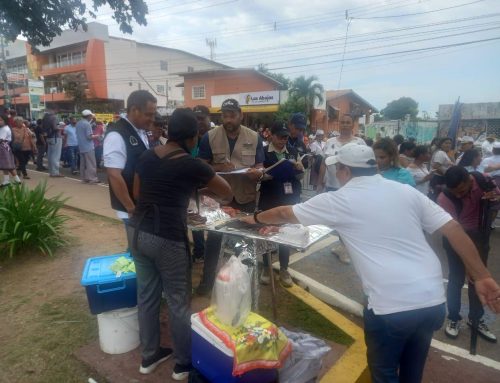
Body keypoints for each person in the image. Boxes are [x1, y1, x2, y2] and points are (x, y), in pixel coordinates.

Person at [241, 144, 500, 383]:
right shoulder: (405, 191)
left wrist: (255, 218)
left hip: (390, 306)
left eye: (337, 168)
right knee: (412, 371)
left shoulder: (340, 199)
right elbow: (453, 228)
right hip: (432, 301)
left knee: (384, 372)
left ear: (344, 171)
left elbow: (286, 213)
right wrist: (483, 276)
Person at [129, 108, 232, 380]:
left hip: (139, 234)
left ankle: (149, 357)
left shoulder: (146, 156)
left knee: (147, 297)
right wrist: (196, 186)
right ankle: (182, 364)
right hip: (168, 239)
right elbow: (227, 192)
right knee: (177, 301)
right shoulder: (191, 164)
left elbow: (139, 194)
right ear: (193, 136)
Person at [196, 98, 265, 295]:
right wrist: (218, 167)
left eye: (232, 115)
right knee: (214, 242)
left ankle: (242, 285)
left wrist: (257, 172)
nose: (228, 119)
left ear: (240, 115)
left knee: (243, 243)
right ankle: (207, 283)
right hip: (219, 200)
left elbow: (260, 166)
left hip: (245, 197)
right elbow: (201, 167)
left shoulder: (254, 137)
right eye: (225, 116)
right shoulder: (209, 137)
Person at [437, 166, 499, 343]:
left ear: (470, 181)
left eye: (462, 191)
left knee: (479, 281)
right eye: (454, 192)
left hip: (480, 238)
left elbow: (496, 198)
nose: (458, 195)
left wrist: (493, 199)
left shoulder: (483, 180)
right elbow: (455, 233)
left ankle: (476, 319)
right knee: (456, 279)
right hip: (456, 239)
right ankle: (454, 318)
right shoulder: (445, 198)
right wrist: (469, 265)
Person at [259, 121, 304, 287]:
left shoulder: (293, 151)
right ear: (271, 135)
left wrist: (299, 169)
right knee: (266, 232)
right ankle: (266, 267)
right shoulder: (263, 152)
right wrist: (265, 175)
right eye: (280, 137)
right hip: (269, 197)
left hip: (288, 198)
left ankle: (284, 268)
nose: (283, 140)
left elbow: (299, 177)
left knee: (286, 233)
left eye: (286, 137)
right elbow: (256, 175)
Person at [103, 90, 157, 226]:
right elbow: (114, 174)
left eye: (153, 115)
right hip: (132, 209)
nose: (152, 119)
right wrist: (130, 207)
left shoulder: (140, 130)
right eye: (148, 114)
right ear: (134, 110)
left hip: (143, 204)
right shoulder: (116, 135)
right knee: (137, 246)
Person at [318, 114, 366, 264]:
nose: (345, 125)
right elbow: (323, 163)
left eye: (348, 122)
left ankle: (347, 248)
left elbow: (365, 166)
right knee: (337, 219)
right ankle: (342, 245)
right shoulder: (330, 142)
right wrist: (320, 182)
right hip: (332, 186)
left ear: (352, 125)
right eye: (342, 122)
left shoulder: (360, 143)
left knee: (349, 219)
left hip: (353, 188)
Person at [191, 105, 212, 262]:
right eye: (196, 119)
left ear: (209, 118)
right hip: (193, 187)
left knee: (213, 220)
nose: (199, 122)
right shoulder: (190, 137)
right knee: (195, 219)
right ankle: (199, 252)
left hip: (212, 187)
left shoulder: (215, 137)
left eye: (202, 118)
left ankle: (212, 251)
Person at [76, 110, 99, 184]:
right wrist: (97, 136)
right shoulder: (87, 124)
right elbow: (89, 137)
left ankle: (84, 178)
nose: (91, 117)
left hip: (81, 146)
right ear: (88, 116)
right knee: (91, 163)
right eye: (91, 115)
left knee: (83, 164)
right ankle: (92, 179)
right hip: (88, 146)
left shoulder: (78, 123)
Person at [0, 115, 22, 186]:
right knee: (5, 165)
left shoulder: (5, 129)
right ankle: (8, 180)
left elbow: (1, 139)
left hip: (4, 148)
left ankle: (16, 180)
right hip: (4, 148)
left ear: (5, 120)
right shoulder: (3, 128)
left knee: (8, 165)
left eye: (1, 120)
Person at [42, 109, 64, 177]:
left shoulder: (44, 118)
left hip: (49, 137)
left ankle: (51, 172)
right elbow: (55, 128)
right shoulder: (54, 117)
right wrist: (61, 128)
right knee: (56, 156)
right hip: (55, 137)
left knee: (50, 155)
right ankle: (55, 172)